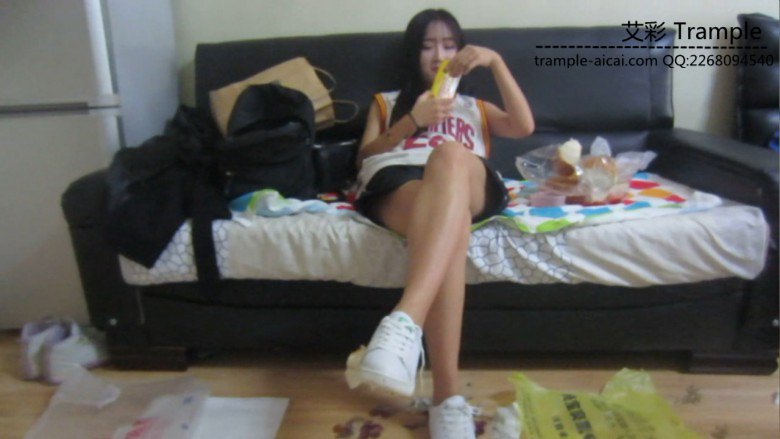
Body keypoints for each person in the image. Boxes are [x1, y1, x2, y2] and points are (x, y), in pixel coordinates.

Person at [345, 8, 535, 439]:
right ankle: (447, 400)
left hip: (466, 178)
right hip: (402, 182)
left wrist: (496, 61)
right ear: (413, 53)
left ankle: (404, 321)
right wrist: (414, 121)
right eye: (428, 46)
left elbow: (524, 126)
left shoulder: (475, 106)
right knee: (449, 228)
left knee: (449, 154)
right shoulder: (388, 101)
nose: (439, 55)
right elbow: (364, 156)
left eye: (449, 45)